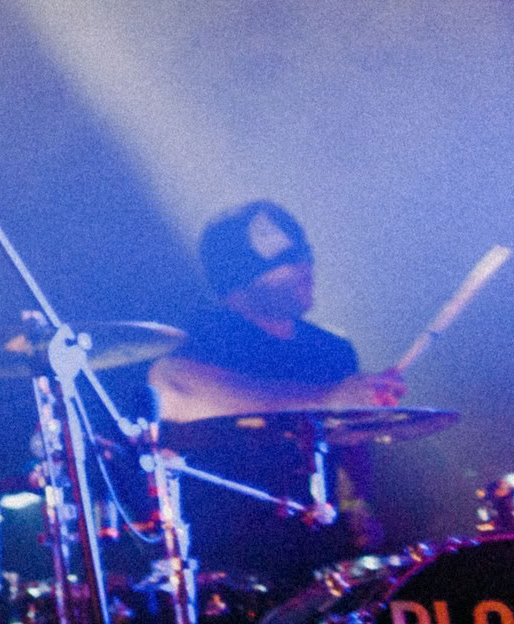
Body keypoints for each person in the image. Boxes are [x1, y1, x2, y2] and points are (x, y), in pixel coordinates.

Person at [148, 202, 405, 594]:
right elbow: (176, 388)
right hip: (233, 556)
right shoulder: (199, 338)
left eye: (306, 256)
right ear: (239, 278)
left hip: (327, 552)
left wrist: (356, 502)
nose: (306, 269)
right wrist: (327, 398)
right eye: (288, 261)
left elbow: (343, 450)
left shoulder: (332, 349)